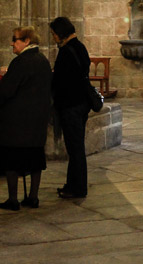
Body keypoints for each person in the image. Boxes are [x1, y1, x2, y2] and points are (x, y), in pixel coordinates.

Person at [0, 26, 52, 211]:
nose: (12, 43)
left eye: (15, 39)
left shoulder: (21, 62)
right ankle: (33, 197)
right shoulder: (42, 60)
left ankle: (13, 199)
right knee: (35, 157)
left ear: (27, 41)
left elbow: (6, 90)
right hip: (37, 120)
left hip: (17, 121)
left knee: (12, 159)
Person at [50, 16, 91, 199]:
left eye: (53, 34)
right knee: (76, 147)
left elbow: (61, 81)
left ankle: (77, 188)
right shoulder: (80, 48)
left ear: (60, 33)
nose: (53, 38)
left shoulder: (67, 51)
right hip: (82, 104)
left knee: (75, 149)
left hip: (71, 106)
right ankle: (73, 185)